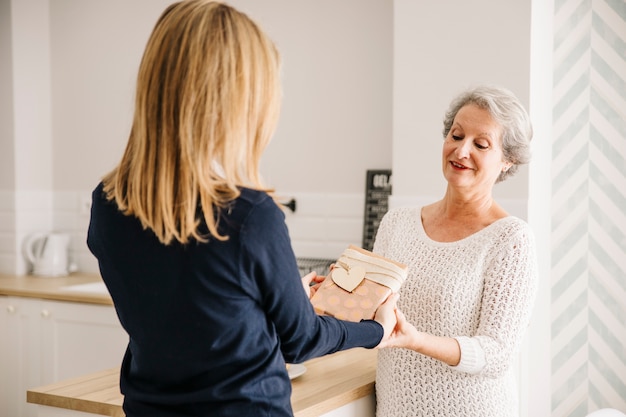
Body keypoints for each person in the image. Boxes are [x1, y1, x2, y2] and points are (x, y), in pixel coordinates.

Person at [86, 2, 397, 416]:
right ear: (235, 101)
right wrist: (375, 330)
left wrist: (275, 297)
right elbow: (301, 341)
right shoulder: (249, 215)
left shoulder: (107, 204)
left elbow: (189, 312)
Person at [373, 85, 538, 417]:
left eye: (480, 144)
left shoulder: (510, 239)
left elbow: (496, 354)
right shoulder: (397, 224)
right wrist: (336, 295)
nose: (461, 151)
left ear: (507, 160)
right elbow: (371, 309)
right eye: (456, 135)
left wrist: (416, 340)